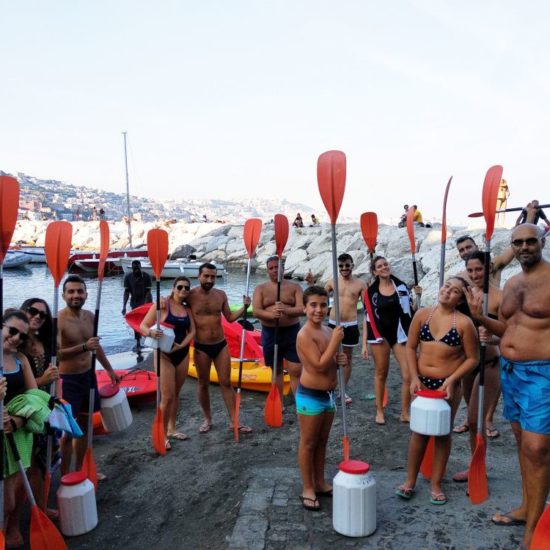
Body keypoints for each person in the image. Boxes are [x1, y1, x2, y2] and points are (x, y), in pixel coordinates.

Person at [470, 224, 550, 548]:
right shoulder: (514, 282)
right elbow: (509, 326)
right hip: (511, 371)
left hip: (541, 374)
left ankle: (535, 528)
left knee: (537, 449)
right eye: (518, 242)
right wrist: (480, 319)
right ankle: (527, 507)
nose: (525, 247)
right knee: (521, 443)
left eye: (531, 241)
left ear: (542, 241)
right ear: (512, 247)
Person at [396, 277, 478, 505]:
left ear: (460, 299)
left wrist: (452, 380)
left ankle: (436, 482)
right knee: (419, 433)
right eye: (446, 286)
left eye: (455, 291)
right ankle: (410, 480)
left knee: (443, 433)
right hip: (422, 384)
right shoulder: (422, 314)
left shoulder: (463, 323)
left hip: (447, 386)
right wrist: (413, 377)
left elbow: (473, 358)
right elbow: (411, 347)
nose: (448, 292)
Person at [58, 275, 119, 475]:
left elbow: (95, 346)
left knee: (85, 428)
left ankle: (81, 470)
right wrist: (84, 346)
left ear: (86, 294)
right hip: (68, 381)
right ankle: (66, 475)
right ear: (63, 295)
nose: (76, 295)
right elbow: (55, 355)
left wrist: (109, 369)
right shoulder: (58, 321)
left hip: (88, 377)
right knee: (68, 432)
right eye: (71, 291)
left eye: (80, 291)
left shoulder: (90, 316)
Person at [451, 252, 502, 482]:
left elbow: (509, 334)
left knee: (474, 419)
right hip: (468, 364)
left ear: (488, 268)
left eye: (478, 270)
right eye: (470, 271)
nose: (474, 275)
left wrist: (491, 338)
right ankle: (475, 465)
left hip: (489, 364)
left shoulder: (499, 297)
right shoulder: (464, 296)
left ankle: (479, 470)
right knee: (473, 423)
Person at [295, 286, 346, 511]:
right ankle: (307, 487)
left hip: (329, 396)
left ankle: (320, 481)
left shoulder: (327, 331)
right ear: (305, 308)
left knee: (322, 442)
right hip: (311, 397)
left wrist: (341, 359)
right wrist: (335, 343)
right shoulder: (304, 334)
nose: (318, 310)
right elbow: (317, 365)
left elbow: (331, 362)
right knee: (308, 443)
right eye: (313, 305)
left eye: (323, 305)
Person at [186, 263, 251, 434]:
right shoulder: (190, 296)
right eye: (206, 276)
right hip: (201, 347)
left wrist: (245, 307)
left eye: (213, 276)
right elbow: (174, 304)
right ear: (199, 276)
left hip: (220, 345)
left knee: (226, 383)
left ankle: (234, 421)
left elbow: (229, 318)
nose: (209, 280)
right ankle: (207, 419)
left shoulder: (220, 295)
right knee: (203, 384)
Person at [362, 256, 421, 424]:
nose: (384, 267)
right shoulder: (370, 292)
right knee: (381, 373)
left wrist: (417, 297)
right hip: (380, 335)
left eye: (385, 264)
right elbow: (368, 319)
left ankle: (404, 412)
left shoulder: (401, 286)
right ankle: (379, 411)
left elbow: (412, 312)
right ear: (374, 271)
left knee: (408, 374)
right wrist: (364, 344)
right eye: (379, 266)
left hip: (400, 334)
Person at [140, 277, 195, 450]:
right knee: (167, 396)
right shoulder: (162, 304)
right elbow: (143, 325)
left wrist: (182, 345)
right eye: (179, 287)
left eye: (186, 288)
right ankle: (161, 435)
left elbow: (192, 331)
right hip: (163, 354)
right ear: (173, 288)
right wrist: (150, 333)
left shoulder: (187, 309)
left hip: (182, 353)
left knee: (176, 394)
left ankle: (172, 429)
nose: (183, 290)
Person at [20, 298, 60, 515]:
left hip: (47, 407)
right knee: (30, 462)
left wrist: (60, 402)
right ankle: (34, 510)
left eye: (42, 315)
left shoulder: (47, 343)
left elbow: (56, 376)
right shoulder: (15, 343)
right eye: (32, 311)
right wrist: (43, 380)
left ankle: (41, 507)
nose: (36, 316)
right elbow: (18, 386)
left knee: (45, 460)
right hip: (26, 409)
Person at [2, 310, 38, 548]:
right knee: (5, 500)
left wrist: (19, 421)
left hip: (18, 433)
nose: (15, 338)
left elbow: (35, 398)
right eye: (11, 331)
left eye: (21, 336)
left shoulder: (20, 360)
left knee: (13, 498)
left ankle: (12, 528)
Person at [252, 256, 304, 396]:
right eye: (271, 268)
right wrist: (271, 315)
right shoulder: (260, 289)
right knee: (276, 369)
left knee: (296, 370)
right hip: (270, 333)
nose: (275, 270)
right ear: (267, 271)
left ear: (283, 268)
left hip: (292, 332)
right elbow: (256, 311)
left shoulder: (295, 287)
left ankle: (300, 404)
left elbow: (302, 308)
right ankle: (278, 404)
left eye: (277, 267)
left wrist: (286, 310)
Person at [324, 253, 367, 404]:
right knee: (331, 357)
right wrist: (310, 284)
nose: (344, 268)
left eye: (347, 265)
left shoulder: (361, 284)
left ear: (352, 266)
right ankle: (329, 387)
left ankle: (343, 391)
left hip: (350, 325)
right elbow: (318, 297)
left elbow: (368, 307)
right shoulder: (332, 282)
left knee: (347, 358)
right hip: (333, 324)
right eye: (341, 266)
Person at [122, 260, 153, 354]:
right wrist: (123, 306)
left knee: (148, 321)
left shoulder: (147, 276)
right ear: (132, 268)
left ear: (140, 267)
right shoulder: (128, 277)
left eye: (138, 268)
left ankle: (150, 340)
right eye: (134, 268)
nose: (136, 270)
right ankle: (138, 342)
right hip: (134, 302)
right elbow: (126, 292)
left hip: (146, 302)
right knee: (136, 322)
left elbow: (148, 292)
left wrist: (144, 305)